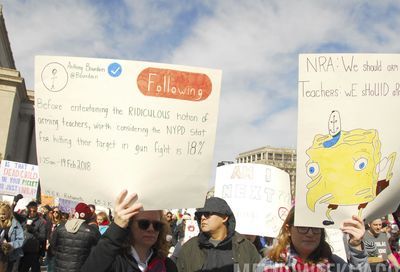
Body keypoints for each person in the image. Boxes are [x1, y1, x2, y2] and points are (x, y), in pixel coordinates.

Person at [82, 190, 177, 272]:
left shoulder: (167, 266)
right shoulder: (114, 262)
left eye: (157, 225)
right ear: (129, 225)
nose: (151, 229)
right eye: (144, 224)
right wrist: (117, 227)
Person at [257, 207, 370, 272]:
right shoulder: (268, 265)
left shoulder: (335, 264)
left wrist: (356, 246)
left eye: (315, 228)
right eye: (303, 227)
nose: (310, 233)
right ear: (288, 230)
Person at [176, 197, 260, 271]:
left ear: (224, 217)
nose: (202, 217)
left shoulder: (246, 248)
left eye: (207, 214)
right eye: (201, 214)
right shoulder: (190, 247)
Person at [51, 202, 100, 271]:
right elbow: (97, 252)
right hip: (81, 268)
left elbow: (53, 245)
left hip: (60, 267)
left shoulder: (60, 227)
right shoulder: (93, 232)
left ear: (75, 213)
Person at [18, 201, 47, 272]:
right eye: (30, 211)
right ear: (27, 210)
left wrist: (33, 231)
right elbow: (13, 214)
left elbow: (43, 237)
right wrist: (15, 202)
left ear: (36, 210)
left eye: (34, 211)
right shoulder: (23, 219)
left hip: (34, 253)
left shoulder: (41, 221)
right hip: (22, 251)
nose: (32, 213)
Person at [0, 202, 24, 272]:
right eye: (0, 214)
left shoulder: (15, 224)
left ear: (8, 213)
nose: (1, 216)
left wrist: (10, 245)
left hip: (13, 255)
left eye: (3, 214)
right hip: (1, 254)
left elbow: (21, 240)